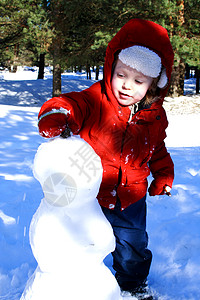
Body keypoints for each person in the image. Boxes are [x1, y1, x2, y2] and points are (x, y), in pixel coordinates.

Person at [37, 19, 174, 299]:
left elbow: (157, 148)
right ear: (111, 66)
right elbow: (71, 103)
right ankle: (79, 284)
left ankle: (133, 286)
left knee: (133, 246)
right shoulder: (95, 100)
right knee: (82, 241)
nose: (126, 86)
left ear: (152, 85)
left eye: (138, 81)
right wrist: (58, 114)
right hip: (91, 196)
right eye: (121, 74)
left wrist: (163, 176)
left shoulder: (155, 116)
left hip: (131, 198)